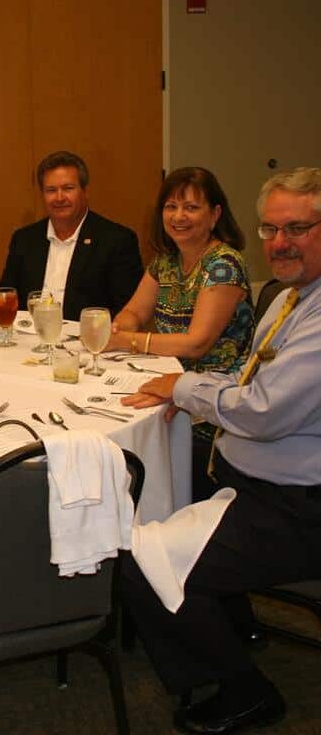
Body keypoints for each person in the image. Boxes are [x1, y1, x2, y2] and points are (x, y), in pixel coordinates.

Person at [120, 167, 321, 734]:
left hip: (297, 506)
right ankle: (234, 629)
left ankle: (246, 692)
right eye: (271, 229)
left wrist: (183, 388)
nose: (280, 243)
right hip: (262, 486)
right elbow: (248, 379)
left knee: (143, 560)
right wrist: (195, 392)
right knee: (176, 518)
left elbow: (261, 411)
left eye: (298, 229)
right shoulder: (292, 298)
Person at [106, 167, 255, 501]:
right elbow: (135, 312)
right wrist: (122, 325)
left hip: (217, 401)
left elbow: (197, 344)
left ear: (215, 214)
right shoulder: (165, 262)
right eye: (171, 207)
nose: (178, 216)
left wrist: (130, 340)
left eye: (191, 207)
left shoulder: (223, 265)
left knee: (130, 443)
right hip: (172, 383)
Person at [0, 150, 143, 319]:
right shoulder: (24, 239)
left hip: (86, 341)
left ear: (85, 191)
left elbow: (128, 311)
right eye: (51, 190)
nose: (59, 198)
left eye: (68, 188)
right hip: (29, 339)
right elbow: (5, 298)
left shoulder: (117, 241)